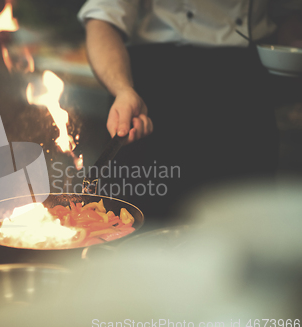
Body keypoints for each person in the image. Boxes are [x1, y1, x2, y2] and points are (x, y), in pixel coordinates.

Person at [78, 0, 302, 219]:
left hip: (244, 93)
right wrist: (123, 89)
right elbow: (103, 17)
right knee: (144, 225)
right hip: (159, 92)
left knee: (245, 221)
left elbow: (289, 15)